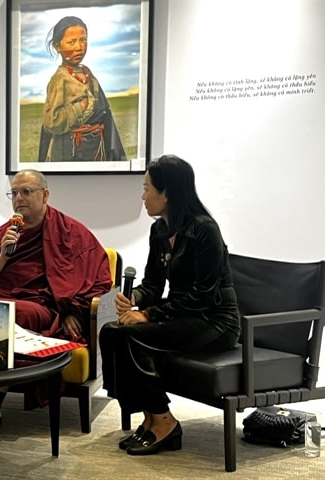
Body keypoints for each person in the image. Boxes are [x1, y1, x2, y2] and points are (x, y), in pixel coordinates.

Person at [0, 168, 112, 440]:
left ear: (45, 195)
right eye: (14, 192)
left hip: (38, 303)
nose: (19, 198)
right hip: (1, 295)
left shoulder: (70, 232)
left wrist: (69, 309)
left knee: (16, 314)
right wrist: (4, 255)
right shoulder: (6, 232)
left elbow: (97, 279)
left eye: (26, 192)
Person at [99, 155, 241, 456]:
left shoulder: (204, 230)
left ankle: (164, 421)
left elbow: (203, 295)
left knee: (130, 335)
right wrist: (135, 298)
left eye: (147, 188)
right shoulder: (160, 230)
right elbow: (153, 284)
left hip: (214, 320)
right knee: (111, 331)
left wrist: (148, 314)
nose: (143, 196)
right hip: (182, 313)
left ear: (168, 193)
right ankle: (150, 418)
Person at [38, 16, 126, 162]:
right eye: (71, 42)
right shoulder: (60, 79)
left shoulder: (86, 72)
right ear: (57, 46)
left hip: (96, 148)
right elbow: (51, 122)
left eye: (83, 40)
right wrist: (80, 107)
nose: (79, 47)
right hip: (71, 151)